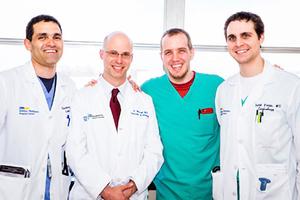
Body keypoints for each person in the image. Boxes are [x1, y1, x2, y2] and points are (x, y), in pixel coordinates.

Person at [66, 31, 164, 200]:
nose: (119, 60)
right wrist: (104, 190)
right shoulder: (82, 98)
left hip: (132, 195)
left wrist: (133, 186)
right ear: (102, 54)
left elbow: (154, 151)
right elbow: (75, 151)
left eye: (125, 54)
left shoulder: (144, 100)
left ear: (131, 58)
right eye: (113, 53)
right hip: (91, 195)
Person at [214, 11, 300, 199]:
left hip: (276, 192)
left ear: (261, 37)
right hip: (232, 190)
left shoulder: (291, 86)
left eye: (246, 35)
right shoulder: (224, 90)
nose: (238, 43)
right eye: (232, 38)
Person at [141, 28, 224, 200]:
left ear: (192, 52)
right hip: (165, 193)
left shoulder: (217, 86)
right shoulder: (148, 90)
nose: (175, 58)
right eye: (168, 52)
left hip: (212, 193)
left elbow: (245, 105)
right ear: (161, 57)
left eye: (181, 51)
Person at [0, 15, 76, 200]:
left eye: (56, 37)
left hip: (58, 189)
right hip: (16, 189)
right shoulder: (6, 82)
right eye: (42, 37)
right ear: (28, 44)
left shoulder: (70, 86)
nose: (51, 42)